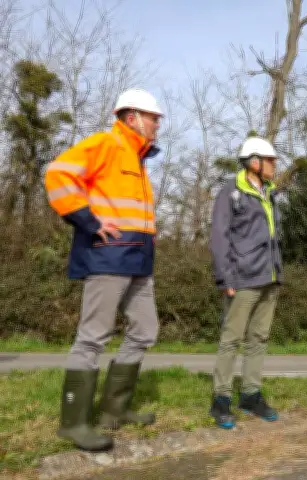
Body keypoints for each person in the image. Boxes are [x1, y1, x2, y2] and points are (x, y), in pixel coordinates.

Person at [43, 88, 164, 451]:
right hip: (109, 256)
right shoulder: (106, 144)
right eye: (153, 117)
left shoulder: (138, 159)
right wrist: (88, 221)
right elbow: (58, 173)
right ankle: (74, 423)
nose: (158, 123)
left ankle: (114, 411)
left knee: (145, 329)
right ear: (132, 118)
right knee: (94, 335)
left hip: (138, 260)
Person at [208, 135, 283, 429]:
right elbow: (219, 237)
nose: (275, 165)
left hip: (270, 276)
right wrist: (224, 276)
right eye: (271, 160)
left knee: (259, 338)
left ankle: (250, 394)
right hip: (242, 277)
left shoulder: (270, 193)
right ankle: (221, 399)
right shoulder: (231, 192)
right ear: (255, 162)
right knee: (232, 339)